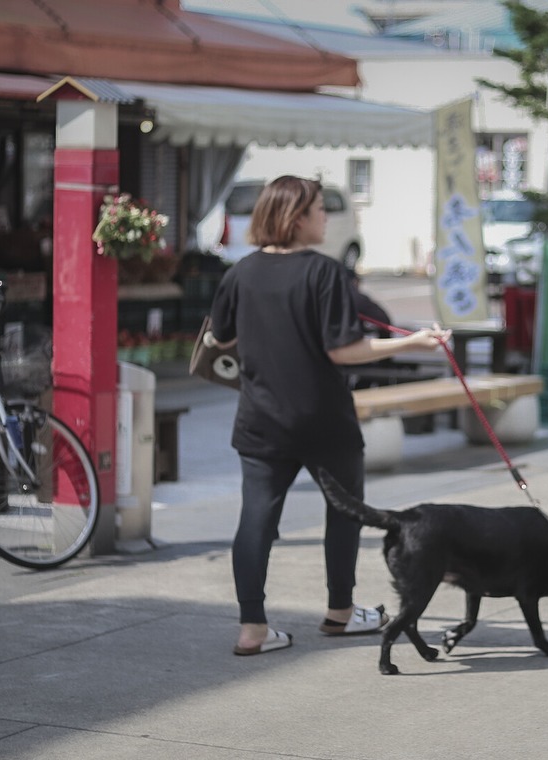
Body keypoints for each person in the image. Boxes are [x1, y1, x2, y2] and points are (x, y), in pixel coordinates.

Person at [206, 175, 451, 656]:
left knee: (255, 520)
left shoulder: (241, 272)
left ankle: (252, 628)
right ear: (296, 218)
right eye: (320, 209)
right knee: (344, 515)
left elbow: (220, 338)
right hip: (324, 420)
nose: (326, 216)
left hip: (260, 421)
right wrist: (415, 341)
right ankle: (340, 613)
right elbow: (346, 350)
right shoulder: (325, 272)